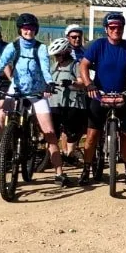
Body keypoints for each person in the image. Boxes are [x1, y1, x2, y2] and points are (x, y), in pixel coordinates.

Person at [0, 14, 60, 182]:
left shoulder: (40, 48)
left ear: (36, 30)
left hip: (37, 93)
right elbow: (1, 64)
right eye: (25, 28)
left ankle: (59, 173)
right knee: (2, 115)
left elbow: (46, 68)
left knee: (50, 133)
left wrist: (49, 83)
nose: (29, 31)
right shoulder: (13, 47)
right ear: (20, 29)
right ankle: (7, 149)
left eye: (32, 28)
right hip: (17, 89)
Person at [78, 12, 126, 185]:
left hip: (121, 94)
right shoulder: (99, 45)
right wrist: (89, 84)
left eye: (119, 27)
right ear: (106, 29)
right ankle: (86, 169)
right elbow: (84, 65)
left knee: (125, 135)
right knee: (91, 135)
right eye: (112, 27)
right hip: (99, 94)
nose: (116, 30)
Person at [47, 37, 87, 186]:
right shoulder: (53, 66)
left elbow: (83, 82)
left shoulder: (76, 65)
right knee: (53, 136)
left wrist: (72, 83)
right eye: (55, 56)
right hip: (55, 103)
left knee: (73, 134)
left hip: (72, 104)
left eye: (58, 55)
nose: (56, 58)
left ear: (66, 53)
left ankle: (70, 155)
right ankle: (58, 171)